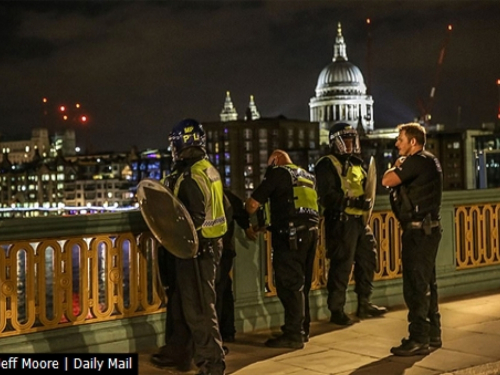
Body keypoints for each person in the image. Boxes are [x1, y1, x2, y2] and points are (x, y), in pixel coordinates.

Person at [150, 118, 227, 375]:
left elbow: (190, 220)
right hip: (210, 246)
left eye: (174, 143)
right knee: (196, 308)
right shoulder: (207, 169)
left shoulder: (191, 177)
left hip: (197, 252)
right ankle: (189, 356)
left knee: (200, 312)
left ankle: (212, 366)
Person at [245, 149, 319, 349]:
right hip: (312, 234)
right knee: (302, 284)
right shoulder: (306, 175)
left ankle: (293, 335)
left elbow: (253, 204)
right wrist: (261, 226)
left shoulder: (278, 172)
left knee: (289, 285)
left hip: (290, 236)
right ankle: (302, 329)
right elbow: (291, 205)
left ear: (276, 160)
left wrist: (244, 216)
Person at [315, 123, 387, 326]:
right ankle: (337, 310)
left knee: (368, 259)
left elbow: (368, 188)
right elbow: (327, 197)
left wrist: (364, 203)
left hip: (360, 222)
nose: (350, 144)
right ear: (335, 142)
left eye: (352, 140)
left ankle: (364, 303)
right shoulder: (326, 164)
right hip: (340, 223)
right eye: (346, 140)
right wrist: (352, 202)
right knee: (341, 266)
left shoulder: (357, 164)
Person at [382, 122, 443, 357]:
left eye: (400, 139)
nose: (397, 143)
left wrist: (397, 164)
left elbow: (387, 180)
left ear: (413, 142)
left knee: (416, 286)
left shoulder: (416, 161)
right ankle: (433, 333)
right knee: (428, 283)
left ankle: (418, 338)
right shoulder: (430, 160)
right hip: (428, 230)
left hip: (418, 232)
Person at [216, 188, 257, 343]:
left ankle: (218, 334)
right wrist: (246, 226)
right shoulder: (223, 192)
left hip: (212, 250)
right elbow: (239, 209)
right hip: (226, 248)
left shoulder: (202, 191)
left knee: (216, 292)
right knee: (224, 289)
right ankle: (227, 331)